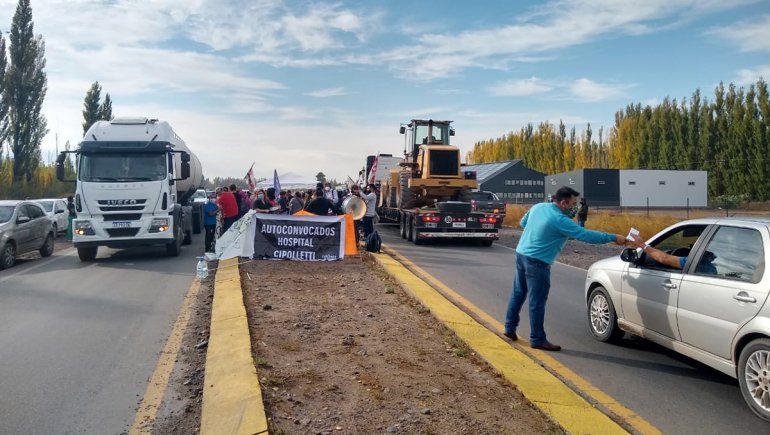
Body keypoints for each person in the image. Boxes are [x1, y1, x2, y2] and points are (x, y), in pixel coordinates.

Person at [504, 186, 627, 351]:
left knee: (518, 293)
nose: (575, 208)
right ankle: (537, 339)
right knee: (537, 302)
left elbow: (523, 223)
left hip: (521, 254)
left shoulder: (538, 207)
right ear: (563, 203)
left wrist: (540, 233)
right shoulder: (560, 220)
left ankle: (509, 328)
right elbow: (585, 235)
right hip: (538, 262)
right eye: (573, 204)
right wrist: (613, 237)